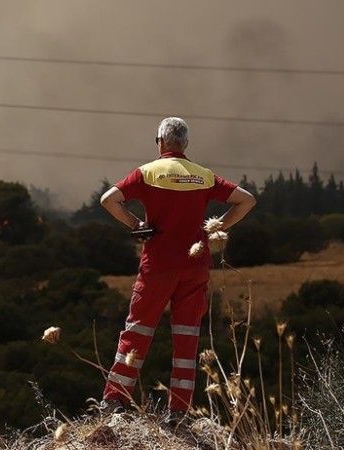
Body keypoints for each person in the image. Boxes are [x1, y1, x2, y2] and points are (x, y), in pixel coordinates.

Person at [99, 117, 256, 423]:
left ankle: (115, 400)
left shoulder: (148, 172)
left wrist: (136, 225)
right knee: (187, 338)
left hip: (157, 266)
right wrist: (215, 228)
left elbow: (109, 200)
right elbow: (247, 200)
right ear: (186, 144)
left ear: (159, 142)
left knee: (137, 332)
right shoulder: (203, 176)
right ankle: (179, 411)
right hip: (195, 268)